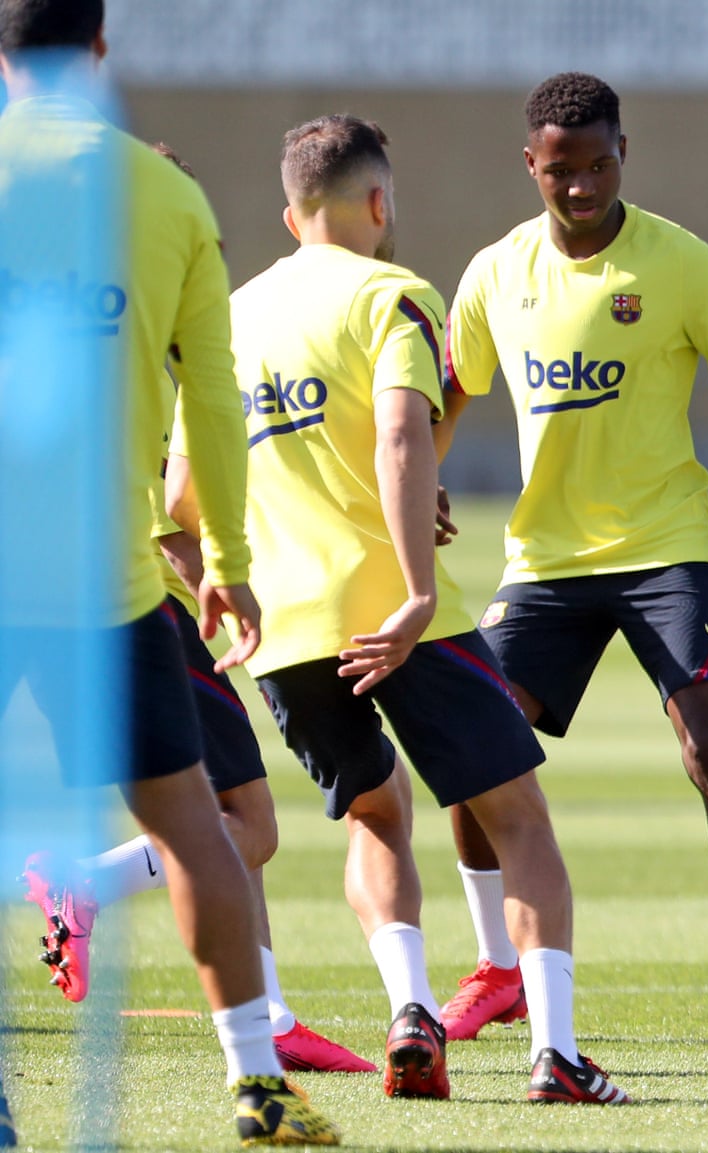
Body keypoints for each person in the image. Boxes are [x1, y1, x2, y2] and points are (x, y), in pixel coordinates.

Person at [179, 112, 629, 1105]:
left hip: (281, 627)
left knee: (375, 812)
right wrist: (420, 588)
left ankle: (411, 1009)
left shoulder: (231, 314)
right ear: (379, 201)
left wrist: (227, 564)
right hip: (394, 611)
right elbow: (398, 437)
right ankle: (555, 1053)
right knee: (518, 819)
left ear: (289, 214)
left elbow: (182, 492)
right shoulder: (396, 294)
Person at [0, 0, 336, 1143]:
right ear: (99, 47)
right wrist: (228, 564)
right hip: (108, 583)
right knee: (196, 825)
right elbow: (214, 409)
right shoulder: (167, 195)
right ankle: (257, 1083)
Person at [436, 72, 708, 1048]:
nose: (582, 186)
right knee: (474, 742)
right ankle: (498, 969)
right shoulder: (495, 273)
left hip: (666, 550)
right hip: (545, 562)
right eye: (562, 170)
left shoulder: (681, 263)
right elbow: (445, 397)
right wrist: (418, 483)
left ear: (623, 155)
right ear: (531, 164)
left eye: (600, 165)